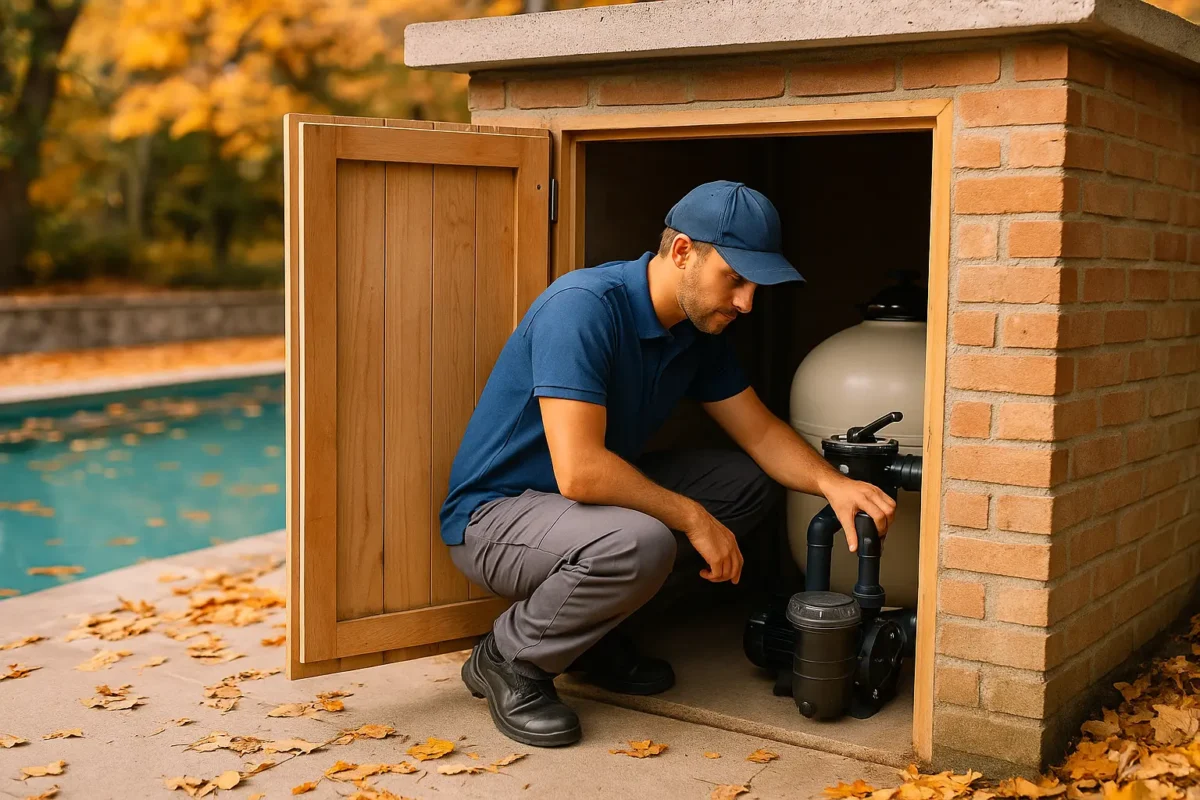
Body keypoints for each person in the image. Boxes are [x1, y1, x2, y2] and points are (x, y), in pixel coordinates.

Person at [440, 180, 897, 748]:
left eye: (757, 285)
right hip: (497, 518)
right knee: (643, 540)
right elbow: (579, 470)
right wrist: (693, 518)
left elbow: (758, 433)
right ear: (682, 251)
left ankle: (590, 633)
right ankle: (509, 657)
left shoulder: (696, 329)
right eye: (735, 278)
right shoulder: (581, 307)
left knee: (746, 486)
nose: (747, 302)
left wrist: (834, 484)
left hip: (584, 512)